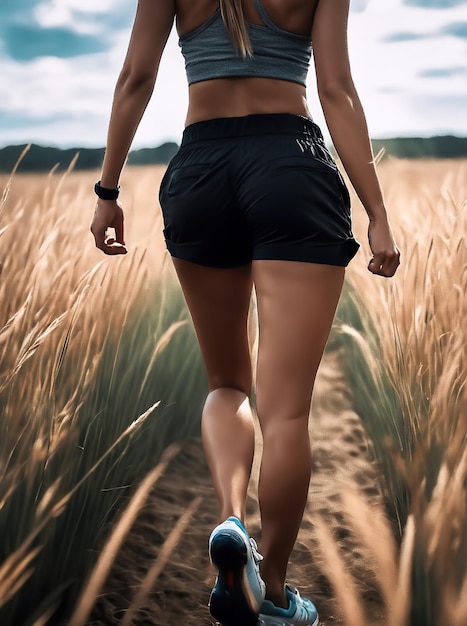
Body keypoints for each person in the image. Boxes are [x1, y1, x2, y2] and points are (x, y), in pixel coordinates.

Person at [90, 1, 400, 624]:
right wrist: (378, 213)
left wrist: (108, 191)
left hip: (201, 170)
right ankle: (275, 592)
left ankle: (232, 521)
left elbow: (135, 79)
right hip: (292, 163)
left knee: (227, 383)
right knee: (286, 409)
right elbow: (336, 86)